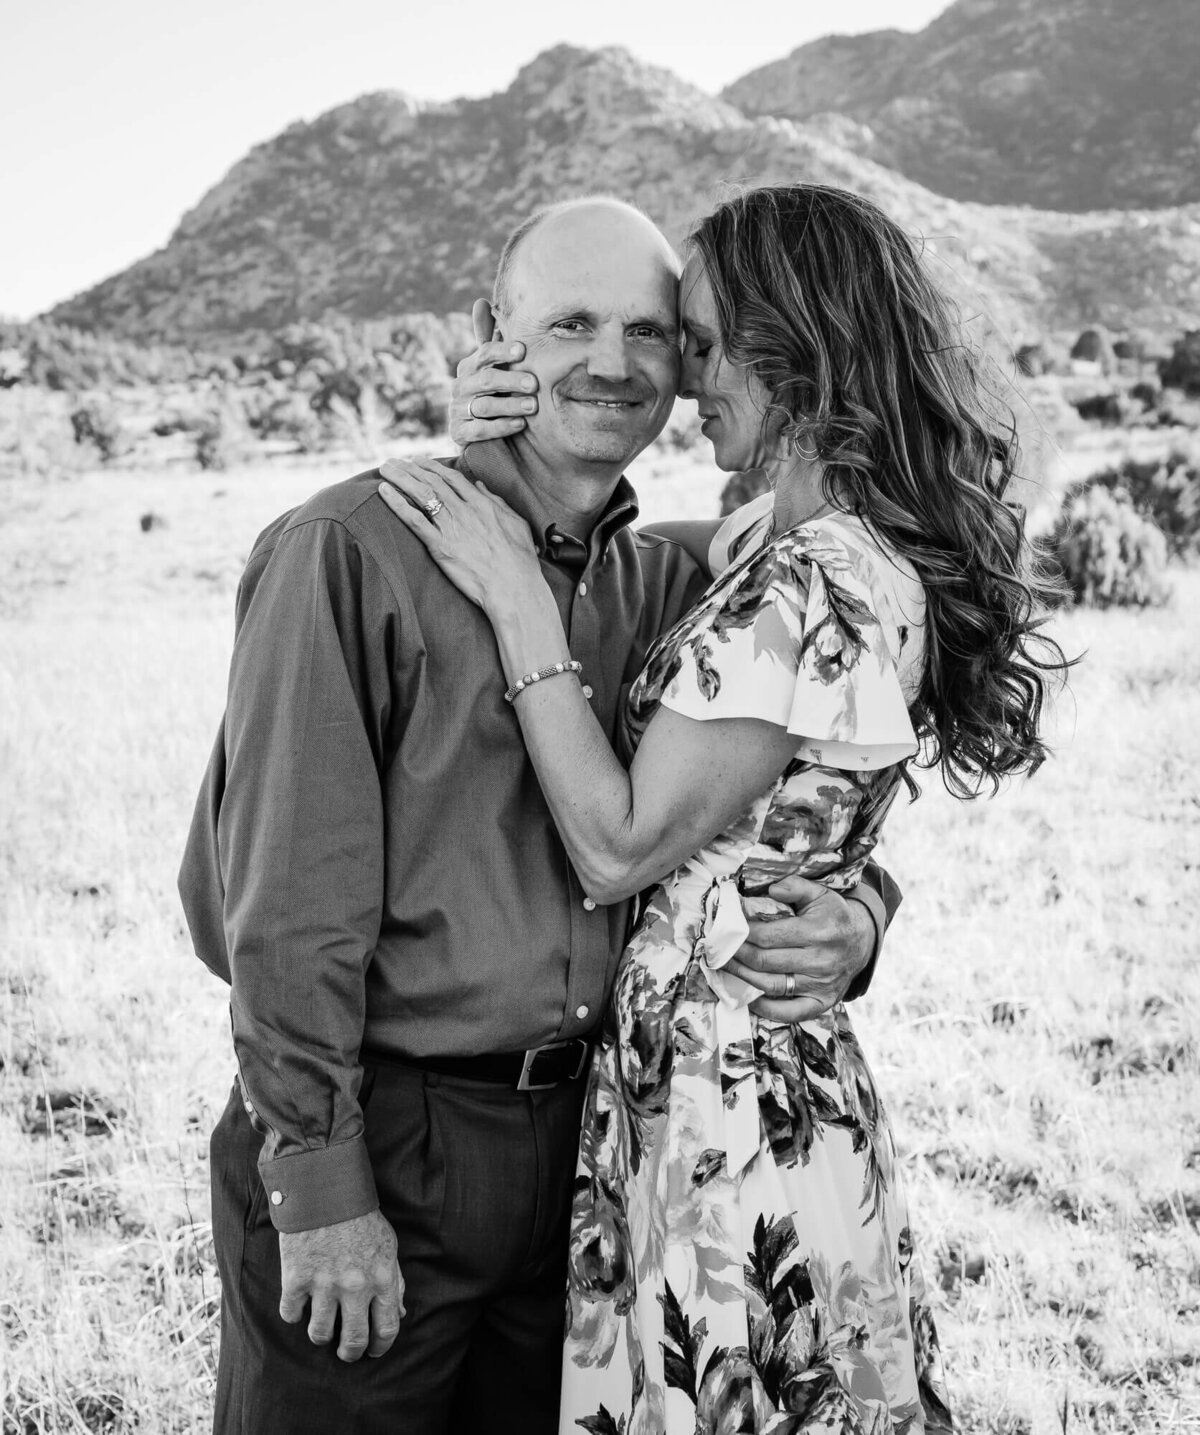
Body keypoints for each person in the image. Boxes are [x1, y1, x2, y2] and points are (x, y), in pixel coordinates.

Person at [178, 197, 902, 1435]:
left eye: (650, 330)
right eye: (570, 322)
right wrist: (319, 1180)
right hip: (392, 1138)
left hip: (597, 1157)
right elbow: (274, 907)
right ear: (490, 337)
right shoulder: (348, 553)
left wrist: (862, 913)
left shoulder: (681, 583)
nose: (613, 362)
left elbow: (799, 765)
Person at [376, 183, 1066, 1433]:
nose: (679, 384)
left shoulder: (806, 584)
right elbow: (632, 546)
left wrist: (525, 614)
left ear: (795, 353)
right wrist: (500, 446)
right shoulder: (805, 550)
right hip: (731, 1071)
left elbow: (617, 843)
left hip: (725, 1100)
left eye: (696, 345)